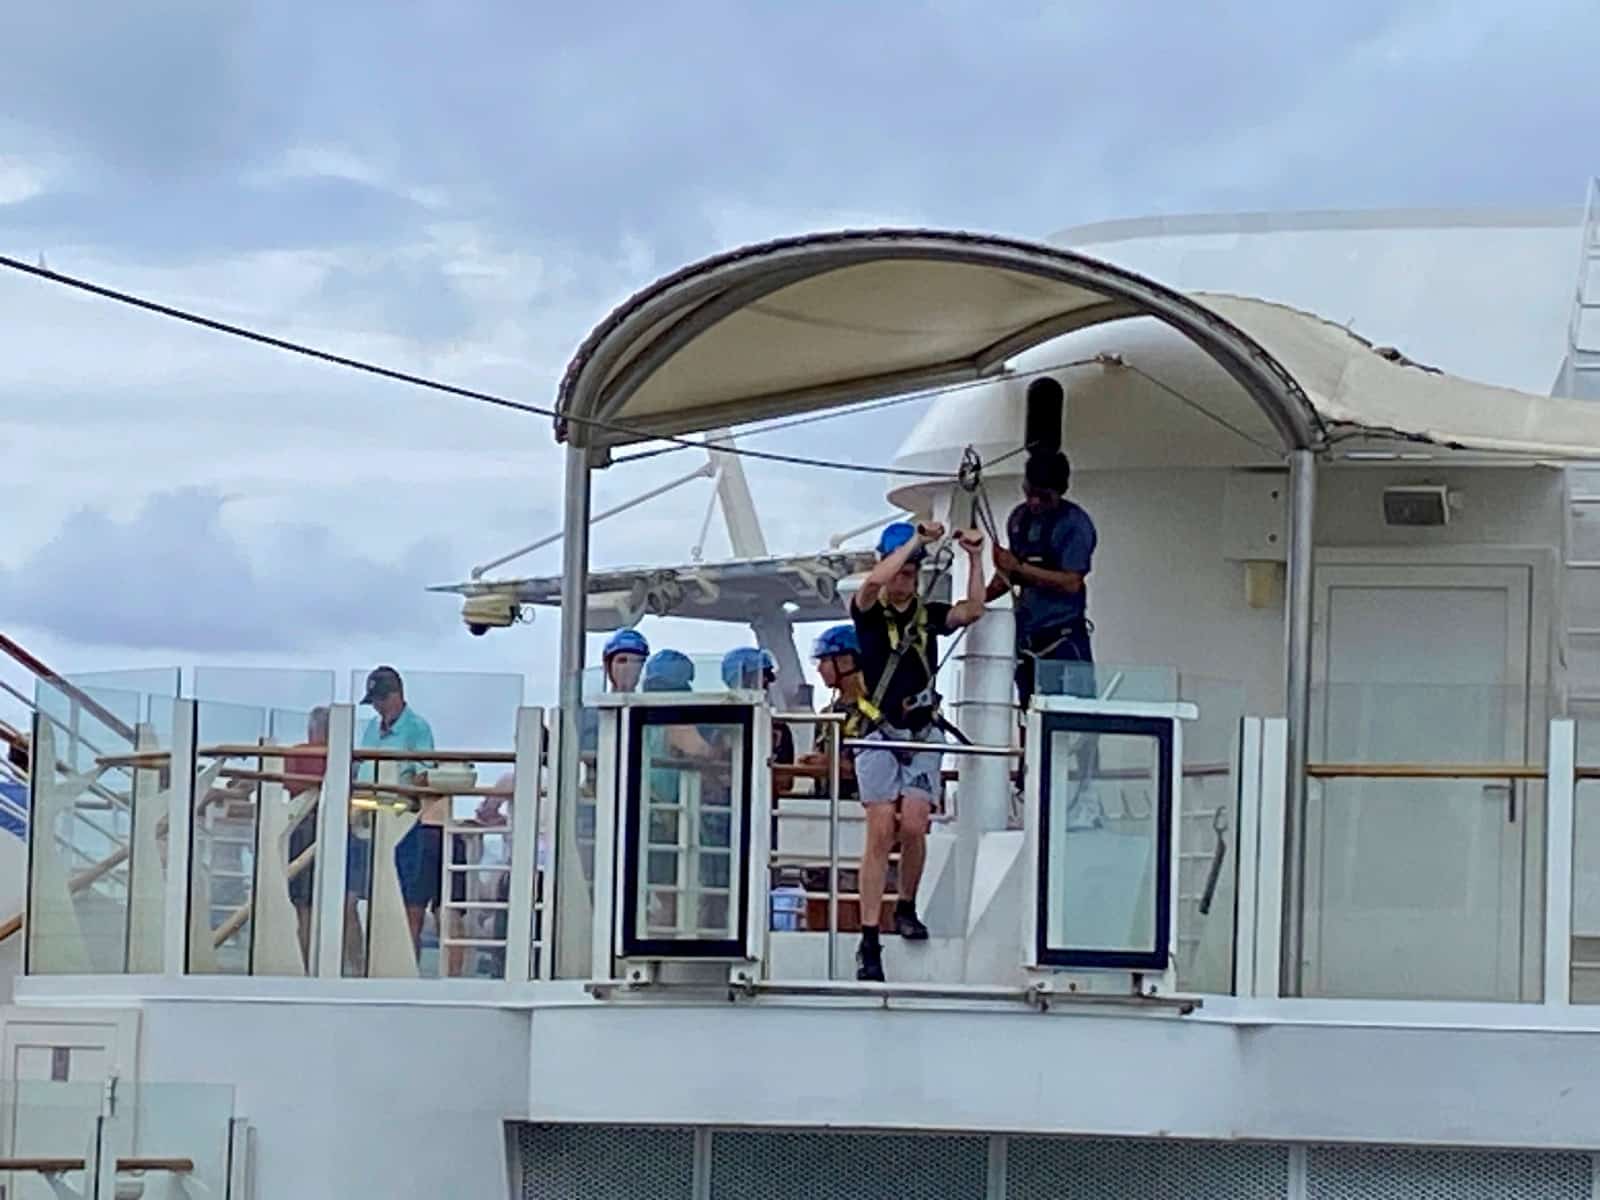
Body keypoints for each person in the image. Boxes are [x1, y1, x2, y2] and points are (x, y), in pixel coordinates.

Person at [849, 520, 989, 982]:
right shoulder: (868, 609)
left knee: (913, 823)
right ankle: (870, 938)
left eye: (912, 571)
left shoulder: (927, 615)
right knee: (878, 830)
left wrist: (972, 557)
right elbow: (872, 583)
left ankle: (905, 905)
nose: (906, 577)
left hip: (921, 731)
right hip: (878, 731)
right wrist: (916, 541)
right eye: (901, 569)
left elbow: (972, 611)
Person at [988, 449, 1098, 709]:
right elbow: (1007, 576)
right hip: (1027, 637)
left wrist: (1020, 568)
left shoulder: (1075, 524)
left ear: (1060, 491)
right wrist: (978, 599)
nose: (1034, 502)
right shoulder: (1019, 519)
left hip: (1064, 638)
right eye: (1030, 492)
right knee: (1028, 709)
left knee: (1074, 715)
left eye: (1043, 496)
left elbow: (1072, 581)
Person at [354, 666, 437, 957]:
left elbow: (425, 775)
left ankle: (403, 966)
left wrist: (400, 792)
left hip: (402, 824)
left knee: (404, 901)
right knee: (363, 896)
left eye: (381, 699)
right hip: (367, 822)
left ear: (397, 695)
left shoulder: (417, 728)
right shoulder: (370, 728)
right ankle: (367, 963)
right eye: (374, 700)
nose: (377, 706)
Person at [800, 624, 867, 798]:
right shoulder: (826, 714)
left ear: (847, 661)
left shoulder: (878, 715)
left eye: (824, 660)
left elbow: (886, 771)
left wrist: (833, 764)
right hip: (826, 807)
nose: (819, 668)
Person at [285, 705, 329, 962]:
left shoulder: (295, 754)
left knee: (303, 904)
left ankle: (303, 960)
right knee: (310, 903)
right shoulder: (342, 756)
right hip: (323, 825)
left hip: (301, 825)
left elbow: (289, 782)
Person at [721, 646, 795, 764]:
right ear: (741, 676)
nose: (769, 680)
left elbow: (784, 778)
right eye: (761, 674)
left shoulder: (778, 727)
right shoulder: (718, 723)